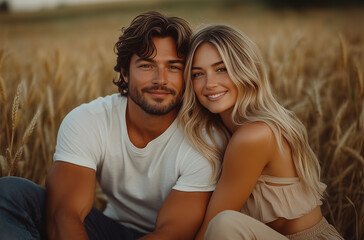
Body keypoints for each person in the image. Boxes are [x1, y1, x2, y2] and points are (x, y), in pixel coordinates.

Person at [0, 11, 222, 240]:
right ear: (125, 73)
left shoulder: (203, 139)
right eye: (147, 66)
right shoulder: (89, 120)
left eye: (174, 67)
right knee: (10, 193)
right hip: (106, 230)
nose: (161, 79)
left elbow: (173, 233)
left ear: (186, 74)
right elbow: (64, 215)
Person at [179, 24, 344, 240]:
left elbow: (211, 230)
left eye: (222, 69)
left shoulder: (254, 136)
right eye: (197, 74)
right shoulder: (222, 132)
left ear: (245, 69)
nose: (209, 83)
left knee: (224, 224)